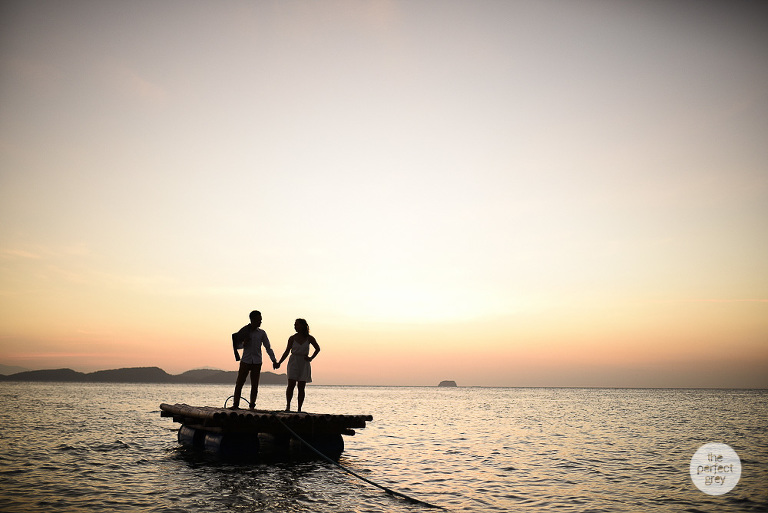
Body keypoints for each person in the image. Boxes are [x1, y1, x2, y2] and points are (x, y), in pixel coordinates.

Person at [230, 310, 279, 410]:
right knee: (239, 383)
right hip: (245, 360)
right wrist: (244, 343)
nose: (260, 322)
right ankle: (236, 405)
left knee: (255, 385)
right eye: (259, 320)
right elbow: (237, 344)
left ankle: (252, 405)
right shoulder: (244, 331)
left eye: (261, 320)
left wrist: (274, 360)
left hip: (257, 361)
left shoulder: (262, 333)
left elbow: (268, 347)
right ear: (253, 320)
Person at [276, 318, 320, 412]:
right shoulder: (292, 338)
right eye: (294, 324)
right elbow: (287, 351)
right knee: (291, 384)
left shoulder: (309, 338)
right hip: (293, 361)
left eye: (297, 324)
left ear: (303, 326)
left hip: (304, 363)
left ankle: (299, 409)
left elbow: (317, 348)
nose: (295, 326)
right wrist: (279, 362)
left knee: (301, 386)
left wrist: (311, 358)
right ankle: (288, 406)